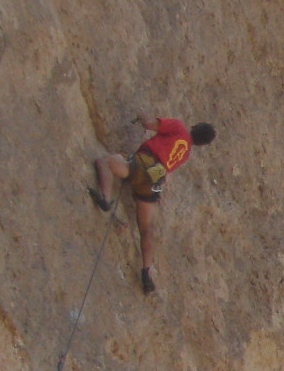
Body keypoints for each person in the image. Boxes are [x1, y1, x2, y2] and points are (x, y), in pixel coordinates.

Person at [88, 115, 216, 293]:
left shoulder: (179, 127)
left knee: (105, 162)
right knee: (146, 228)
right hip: (153, 181)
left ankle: (105, 197)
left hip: (143, 164)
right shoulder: (186, 154)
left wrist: (141, 117)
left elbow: (150, 124)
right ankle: (146, 271)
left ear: (195, 126)